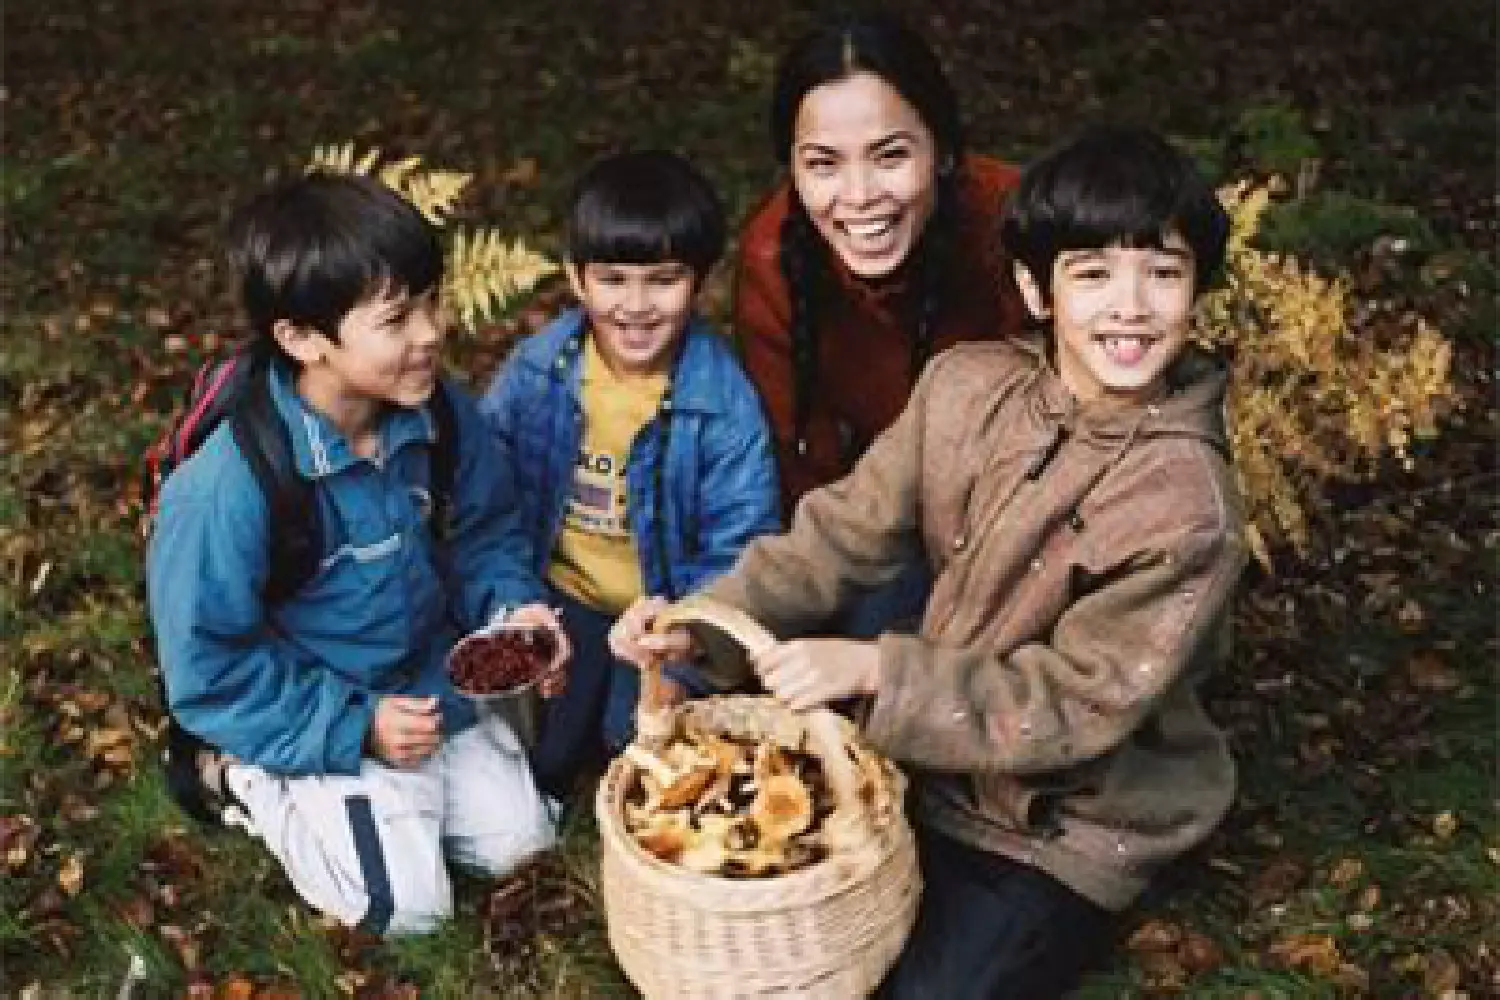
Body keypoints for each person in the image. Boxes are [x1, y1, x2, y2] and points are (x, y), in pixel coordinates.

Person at [613, 124, 1249, 998]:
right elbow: (839, 532)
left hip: (1068, 820)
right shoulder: (965, 387)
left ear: (1195, 292)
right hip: (928, 757)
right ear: (1035, 287)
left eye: (1163, 273)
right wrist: (699, 628)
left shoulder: (1185, 504)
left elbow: (1073, 702)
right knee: (805, 933)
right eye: (1092, 273)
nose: (1129, 306)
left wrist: (879, 671)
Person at [147, 173, 566, 936]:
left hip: (431, 686)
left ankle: (405, 805)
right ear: (303, 339)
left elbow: (484, 533)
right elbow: (210, 669)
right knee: (405, 912)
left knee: (524, 847)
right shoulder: (227, 490)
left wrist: (513, 612)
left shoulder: (435, 413)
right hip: (321, 705)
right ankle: (244, 777)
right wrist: (355, 728)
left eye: (432, 301)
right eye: (397, 317)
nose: (431, 332)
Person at [478, 150, 779, 797]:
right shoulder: (540, 370)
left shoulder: (723, 404)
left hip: (662, 612)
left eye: (662, 279)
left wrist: (684, 633)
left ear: (699, 281)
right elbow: (484, 490)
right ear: (576, 278)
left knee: (636, 743)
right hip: (565, 597)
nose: (636, 306)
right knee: (540, 755)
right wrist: (517, 604)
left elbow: (741, 544)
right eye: (612, 279)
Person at [733, 11, 1030, 636]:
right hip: (876, 506)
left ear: (942, 150)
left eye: (890, 155)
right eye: (823, 164)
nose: (860, 194)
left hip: (1020, 508)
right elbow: (799, 468)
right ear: (792, 167)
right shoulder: (773, 257)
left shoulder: (1016, 226)